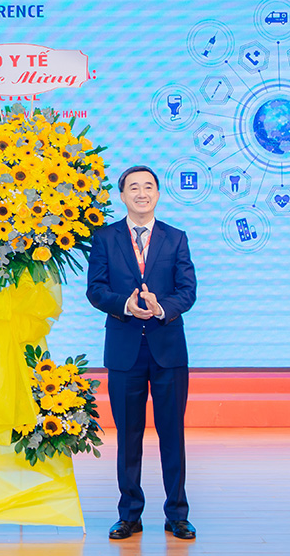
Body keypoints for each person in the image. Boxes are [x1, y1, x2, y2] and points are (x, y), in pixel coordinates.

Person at [86, 165, 198, 541]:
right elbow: (95, 289)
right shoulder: (105, 238)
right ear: (122, 196)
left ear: (158, 194)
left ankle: (177, 514)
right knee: (129, 435)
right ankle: (129, 514)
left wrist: (161, 307)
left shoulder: (176, 238)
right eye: (133, 187)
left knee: (172, 434)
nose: (141, 193)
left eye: (148, 186)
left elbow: (188, 290)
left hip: (168, 350)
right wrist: (126, 305)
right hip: (125, 350)